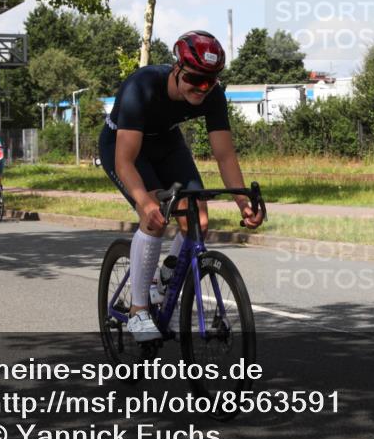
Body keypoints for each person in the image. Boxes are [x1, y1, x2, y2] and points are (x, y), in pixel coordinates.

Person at [99, 30, 264, 342]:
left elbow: (225, 156)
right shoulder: (142, 86)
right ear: (177, 68)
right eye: (195, 79)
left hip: (166, 144)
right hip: (124, 147)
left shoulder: (212, 94)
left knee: (199, 219)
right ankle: (138, 311)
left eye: (210, 81)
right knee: (155, 218)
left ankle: (168, 271)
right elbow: (125, 162)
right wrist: (144, 202)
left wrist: (243, 203)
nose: (202, 88)